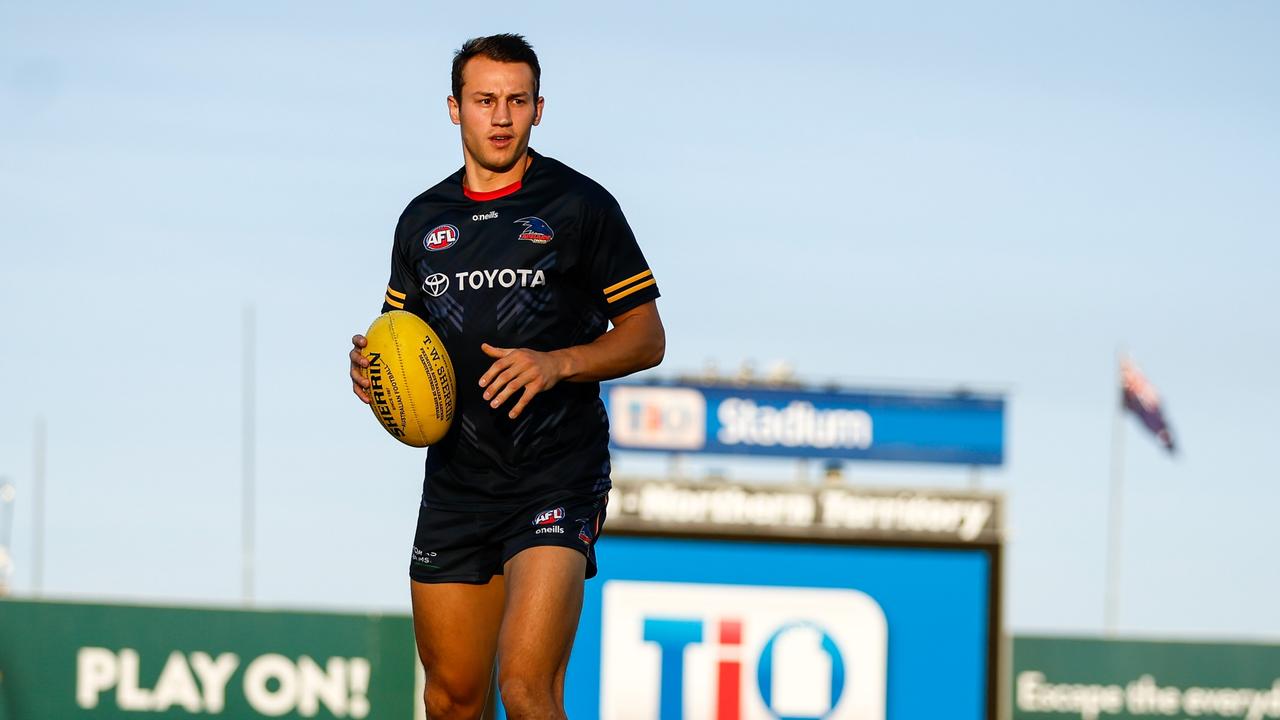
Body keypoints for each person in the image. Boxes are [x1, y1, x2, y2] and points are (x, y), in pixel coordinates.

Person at [348, 34, 664, 720]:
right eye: (485, 100)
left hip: (556, 473)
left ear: (538, 109)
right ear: (454, 108)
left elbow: (647, 337)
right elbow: (396, 340)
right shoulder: (421, 220)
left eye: (516, 101)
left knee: (525, 688)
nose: (500, 116)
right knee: (453, 699)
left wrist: (560, 362)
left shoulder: (580, 206)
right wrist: (372, 376)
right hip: (458, 484)